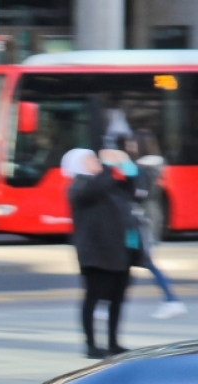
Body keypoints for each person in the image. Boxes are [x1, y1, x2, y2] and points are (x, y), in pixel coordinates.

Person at [65, 147, 139, 359]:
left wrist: (125, 163)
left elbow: (131, 189)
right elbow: (97, 187)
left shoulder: (107, 183)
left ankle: (113, 342)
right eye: (91, 159)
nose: (96, 161)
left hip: (120, 250)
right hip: (96, 253)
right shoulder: (79, 185)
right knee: (93, 297)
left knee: (117, 298)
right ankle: (91, 344)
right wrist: (108, 166)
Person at [129, 130, 186, 319]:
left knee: (143, 259)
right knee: (128, 257)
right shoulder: (152, 165)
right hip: (145, 218)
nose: (130, 146)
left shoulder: (144, 167)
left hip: (143, 220)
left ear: (141, 145)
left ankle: (171, 300)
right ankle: (110, 303)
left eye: (133, 143)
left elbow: (140, 194)